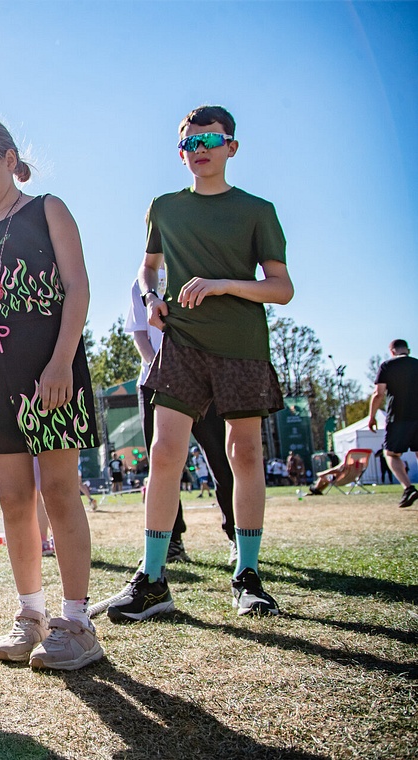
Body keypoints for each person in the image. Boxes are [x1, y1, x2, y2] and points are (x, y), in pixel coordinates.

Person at [108, 105, 294, 624]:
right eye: (191, 142)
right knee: (165, 453)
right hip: (182, 345)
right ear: (181, 152)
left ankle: (248, 575)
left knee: (245, 453)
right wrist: (150, 301)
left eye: (211, 140)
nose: (201, 149)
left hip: (241, 344)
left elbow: (281, 288)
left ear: (232, 146)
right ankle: (152, 580)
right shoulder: (163, 208)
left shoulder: (258, 210)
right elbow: (147, 271)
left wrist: (222, 284)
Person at [0, 114, 104, 670]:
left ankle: (77, 621)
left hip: (51, 370)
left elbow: (78, 288)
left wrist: (62, 362)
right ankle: (30, 615)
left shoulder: (48, 209)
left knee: (59, 489)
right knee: (13, 496)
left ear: (10, 159)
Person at [368, 339, 418, 508]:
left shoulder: (387, 366)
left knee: (391, 454)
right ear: (408, 350)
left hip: (398, 416)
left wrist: (372, 416)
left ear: (392, 351)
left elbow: (379, 393)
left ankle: (408, 488)